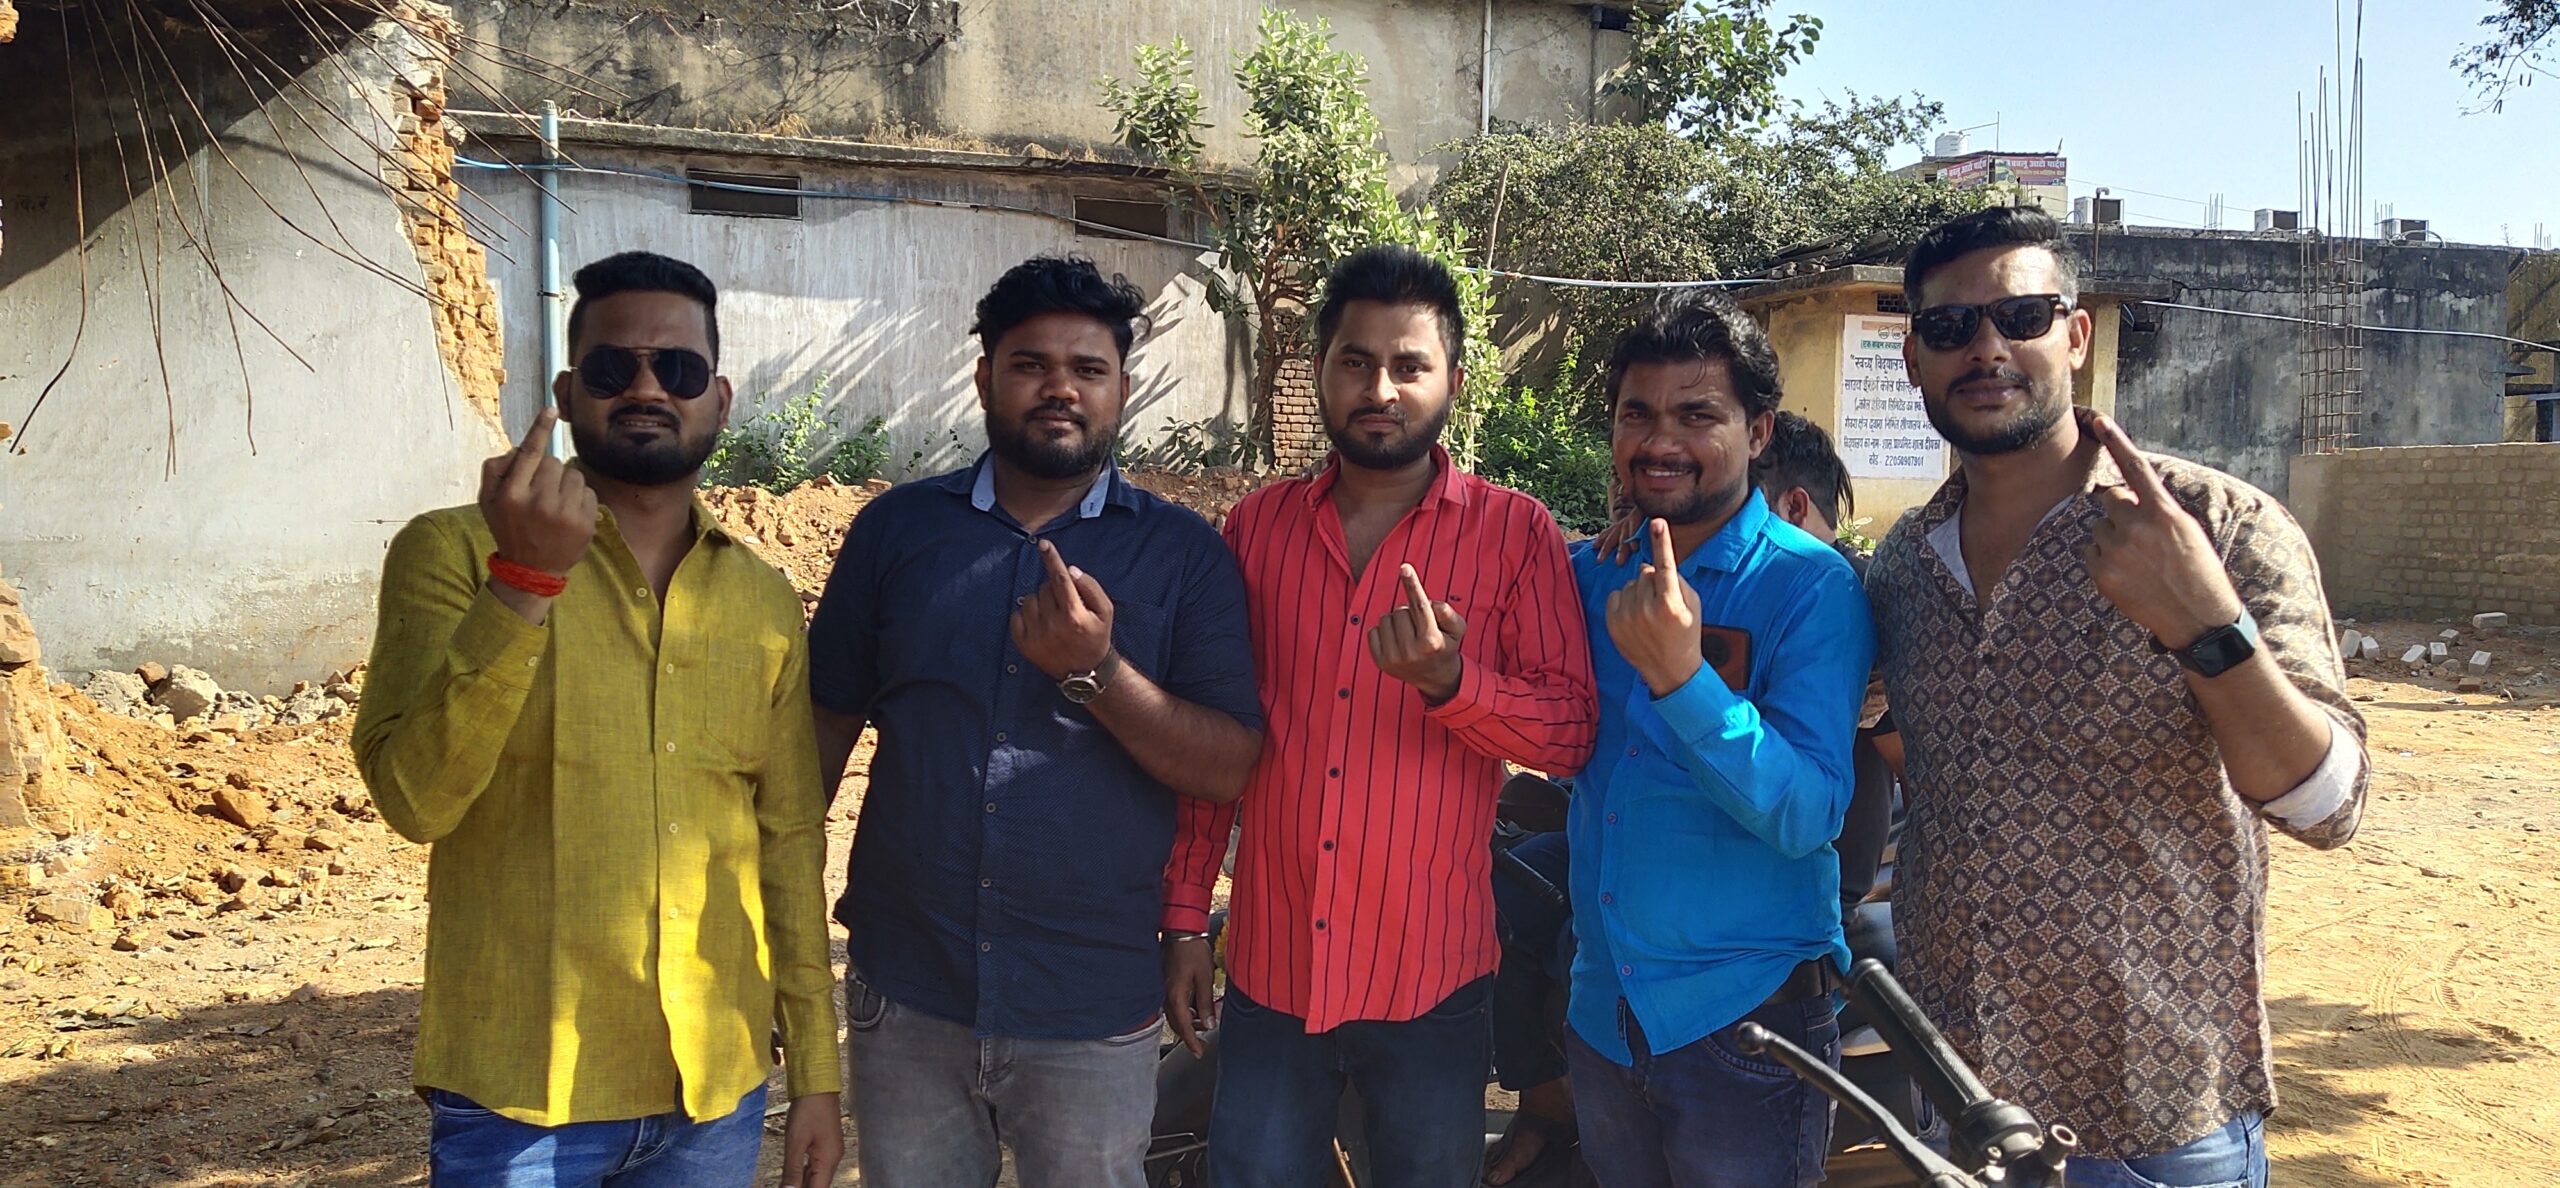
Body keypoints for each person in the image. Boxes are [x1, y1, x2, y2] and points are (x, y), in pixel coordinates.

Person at [1868, 205, 2367, 1188]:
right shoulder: (1901, 566)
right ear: (1914, 359)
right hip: (1958, 1096)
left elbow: (2328, 805)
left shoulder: (2214, 526)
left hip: (2153, 1116)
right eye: (1950, 327)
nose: (1986, 348)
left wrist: (2206, 628)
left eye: (2021, 316)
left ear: (2076, 335)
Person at [353, 251, 842, 1187]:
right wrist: (524, 582)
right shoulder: (452, 552)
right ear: (569, 394)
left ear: (719, 400)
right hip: (522, 1095)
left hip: (714, 1092)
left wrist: (816, 1069)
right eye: (616, 367)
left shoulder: (765, 601)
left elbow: (785, 839)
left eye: (679, 369)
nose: (648, 388)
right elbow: (415, 799)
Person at [808, 255, 1265, 1188]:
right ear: (985, 378)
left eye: (1088, 369)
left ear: (1121, 389)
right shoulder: (897, 533)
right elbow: (817, 740)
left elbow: (1228, 765)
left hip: (1091, 1005)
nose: (1060, 388)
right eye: (1030, 365)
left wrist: (1099, 672)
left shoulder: (1183, 556)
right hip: (911, 991)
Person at [1161, 245, 1597, 1188]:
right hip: (1273, 968)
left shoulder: (1515, 533)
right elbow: (1220, 739)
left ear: (1454, 381)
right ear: (1320, 370)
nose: (1381, 389)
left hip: (1429, 979)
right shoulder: (1258, 530)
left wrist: (1452, 683)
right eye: (1356, 361)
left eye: (1409, 365)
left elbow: (1568, 732)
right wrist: (1187, 916)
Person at [1565, 290, 1873, 1188]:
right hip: (1604, 1012)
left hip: (1747, 1025)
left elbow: (1809, 814)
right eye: (1638, 414)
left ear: (1758, 430)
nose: (1661, 441)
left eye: (1698, 415)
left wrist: (1683, 680)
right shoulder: (1593, 573)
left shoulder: (1810, 588)